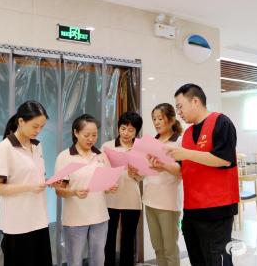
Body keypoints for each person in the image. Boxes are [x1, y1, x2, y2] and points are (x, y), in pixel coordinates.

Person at [167, 83, 239, 266]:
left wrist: (187, 154)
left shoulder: (222, 122)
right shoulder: (188, 133)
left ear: (196, 101)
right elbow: (184, 169)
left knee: (218, 259)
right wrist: (161, 165)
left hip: (217, 209)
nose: (179, 113)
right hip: (192, 209)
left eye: (180, 106)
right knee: (197, 259)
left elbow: (225, 159)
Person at [0, 100, 52, 266]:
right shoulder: (4, 148)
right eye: (35, 126)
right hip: (18, 224)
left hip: (39, 219)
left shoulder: (37, 146)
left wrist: (49, 182)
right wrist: (30, 187)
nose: (38, 131)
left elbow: (33, 177)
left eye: (42, 126)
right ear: (21, 121)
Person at [54, 114, 117, 266]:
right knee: (74, 260)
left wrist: (110, 187)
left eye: (94, 135)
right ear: (76, 133)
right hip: (75, 219)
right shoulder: (65, 157)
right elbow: (58, 190)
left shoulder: (100, 155)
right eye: (86, 135)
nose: (91, 139)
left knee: (98, 259)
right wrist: (74, 192)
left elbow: (106, 184)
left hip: (100, 217)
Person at [143, 103, 183, 266]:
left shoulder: (179, 142)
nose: (157, 122)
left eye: (160, 118)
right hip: (149, 200)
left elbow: (181, 172)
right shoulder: (151, 142)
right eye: (154, 119)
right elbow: (145, 170)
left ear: (172, 120)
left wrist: (164, 165)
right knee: (158, 248)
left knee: (170, 249)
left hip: (168, 204)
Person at [102, 111, 143, 266]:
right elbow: (101, 170)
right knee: (109, 238)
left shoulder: (140, 149)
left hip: (131, 199)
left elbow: (143, 177)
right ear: (118, 128)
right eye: (123, 128)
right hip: (110, 198)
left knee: (128, 239)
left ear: (136, 132)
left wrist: (136, 174)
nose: (126, 133)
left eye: (131, 130)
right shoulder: (107, 146)